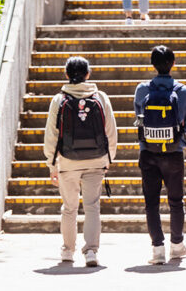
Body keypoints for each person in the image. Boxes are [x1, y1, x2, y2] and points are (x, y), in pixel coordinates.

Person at [43, 56, 118, 267]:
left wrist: (51, 164)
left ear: (66, 75)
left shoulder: (59, 100)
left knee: (69, 208)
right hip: (96, 160)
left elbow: (51, 135)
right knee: (93, 206)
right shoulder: (100, 97)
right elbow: (111, 130)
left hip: (67, 161)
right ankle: (91, 252)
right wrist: (109, 157)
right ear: (88, 74)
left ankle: (68, 251)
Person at [134, 46, 186, 264]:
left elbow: (139, 120)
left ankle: (157, 250)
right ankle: (177, 246)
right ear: (173, 63)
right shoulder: (183, 91)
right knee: (176, 201)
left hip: (148, 151)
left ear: (152, 64)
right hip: (174, 152)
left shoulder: (142, 90)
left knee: (151, 202)